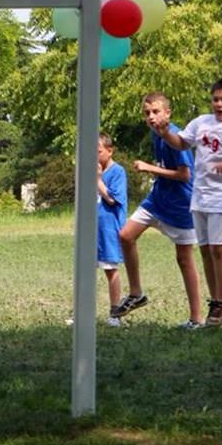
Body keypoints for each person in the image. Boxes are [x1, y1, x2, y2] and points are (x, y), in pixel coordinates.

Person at [153, 77, 222, 328]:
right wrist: (166, 132)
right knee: (205, 249)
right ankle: (217, 300)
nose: (219, 104)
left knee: (219, 247)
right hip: (201, 194)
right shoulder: (201, 122)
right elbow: (181, 142)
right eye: (215, 99)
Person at [115, 92, 202, 329]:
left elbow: (185, 175)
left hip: (180, 205)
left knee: (184, 259)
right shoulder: (156, 135)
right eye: (147, 113)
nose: (151, 117)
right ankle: (136, 293)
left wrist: (149, 168)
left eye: (155, 112)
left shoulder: (176, 136)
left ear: (167, 113)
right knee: (125, 235)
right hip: (157, 199)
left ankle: (196, 318)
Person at [96, 133, 127, 327]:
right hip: (92, 228)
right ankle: (82, 311)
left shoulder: (117, 172)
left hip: (109, 229)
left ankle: (115, 313)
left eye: (98, 152)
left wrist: (98, 180)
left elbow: (113, 199)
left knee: (110, 270)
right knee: (84, 271)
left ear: (109, 151)